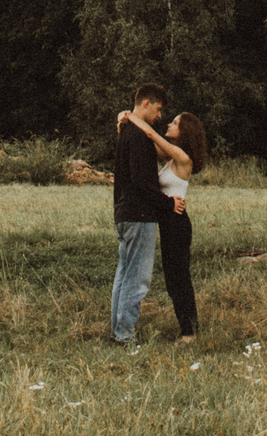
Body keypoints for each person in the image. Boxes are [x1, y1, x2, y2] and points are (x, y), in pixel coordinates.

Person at [119, 107, 206, 342]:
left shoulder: (181, 158)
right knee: (172, 279)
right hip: (168, 222)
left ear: (184, 132)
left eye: (175, 123)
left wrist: (130, 116)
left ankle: (189, 333)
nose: (168, 124)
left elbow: (149, 133)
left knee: (179, 278)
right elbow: (144, 144)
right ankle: (187, 327)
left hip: (177, 224)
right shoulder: (170, 157)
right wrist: (125, 120)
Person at [107, 82, 170, 344]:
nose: (159, 116)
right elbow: (142, 181)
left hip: (124, 213)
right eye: (158, 109)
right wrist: (167, 204)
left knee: (124, 276)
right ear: (146, 103)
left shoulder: (126, 132)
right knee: (137, 280)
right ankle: (124, 335)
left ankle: (117, 331)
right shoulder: (139, 137)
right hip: (140, 215)